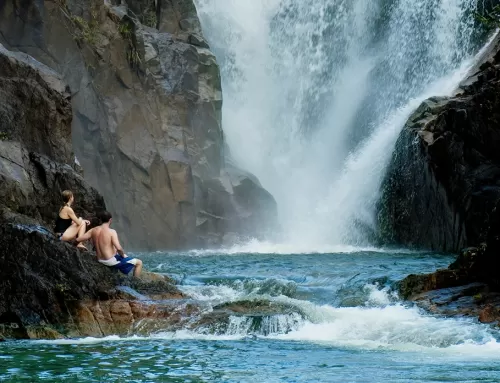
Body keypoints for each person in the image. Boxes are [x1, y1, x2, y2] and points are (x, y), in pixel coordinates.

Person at [77, 211, 143, 277]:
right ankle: (136, 282)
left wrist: (75, 245)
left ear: (100, 220)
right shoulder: (111, 232)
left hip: (100, 259)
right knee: (139, 263)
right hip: (110, 261)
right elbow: (119, 248)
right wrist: (123, 255)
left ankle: (125, 269)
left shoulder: (93, 230)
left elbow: (78, 239)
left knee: (120, 255)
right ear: (110, 220)